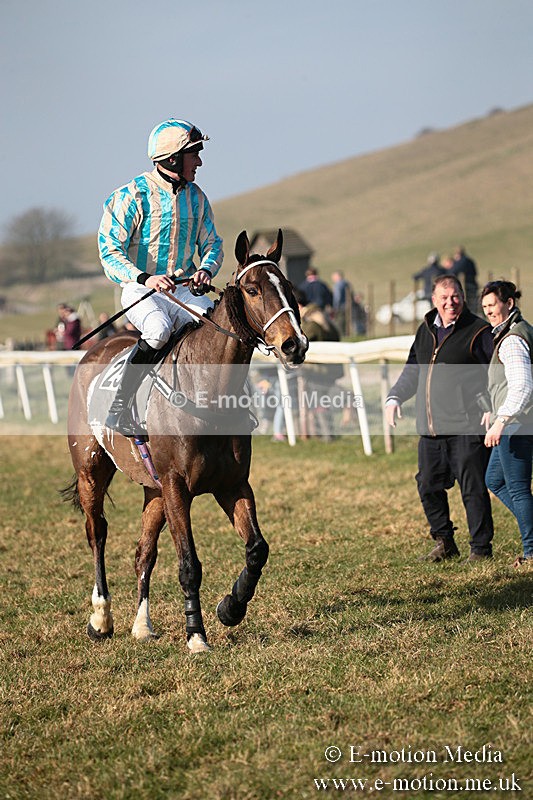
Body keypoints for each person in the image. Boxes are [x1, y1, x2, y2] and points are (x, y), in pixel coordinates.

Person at [98, 118, 223, 436]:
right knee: (158, 329)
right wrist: (145, 278)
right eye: (194, 153)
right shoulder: (130, 196)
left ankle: (226, 407)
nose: (200, 161)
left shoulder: (197, 197)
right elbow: (110, 251)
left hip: (183, 291)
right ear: (173, 159)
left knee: (218, 327)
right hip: (140, 291)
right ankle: (120, 407)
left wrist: (205, 270)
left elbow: (213, 244)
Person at [386, 274, 495, 562]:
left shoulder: (478, 331)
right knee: (427, 485)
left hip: (467, 428)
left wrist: (493, 408)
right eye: (444, 297)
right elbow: (413, 369)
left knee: (473, 490)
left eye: (455, 296)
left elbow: (497, 373)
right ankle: (444, 542)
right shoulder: (425, 330)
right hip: (430, 430)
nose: (451, 303)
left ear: (463, 297)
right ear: (434, 300)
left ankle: (481, 550)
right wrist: (394, 397)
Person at [481, 281, 533, 567]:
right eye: (485, 306)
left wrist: (501, 420)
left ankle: (531, 552)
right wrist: (493, 411)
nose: (489, 311)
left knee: (517, 488)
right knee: (495, 480)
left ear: (509, 304)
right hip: (513, 419)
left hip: (517, 423)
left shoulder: (513, 339)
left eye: (493, 305)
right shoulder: (511, 333)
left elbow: (523, 386)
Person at [452, 245, 479, 312]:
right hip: (472, 283)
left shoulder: (460, 262)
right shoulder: (470, 260)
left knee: (465, 302)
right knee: (473, 303)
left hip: (464, 285)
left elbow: (454, 271)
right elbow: (475, 272)